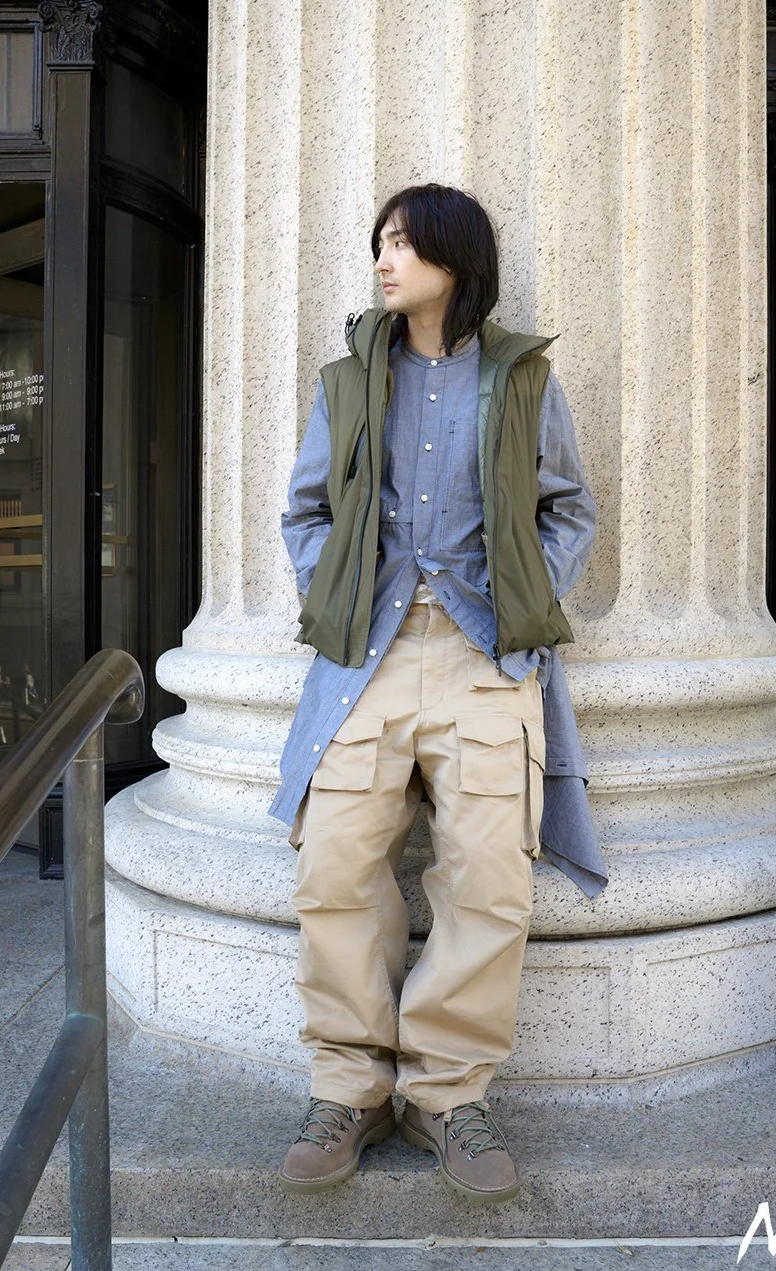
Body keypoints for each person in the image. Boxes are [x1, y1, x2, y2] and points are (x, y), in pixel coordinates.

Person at [270, 183, 603, 1205]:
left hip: (481, 658)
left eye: (403, 245)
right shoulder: (346, 382)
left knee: (489, 878)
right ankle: (348, 1091)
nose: (383, 261)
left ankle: (449, 1096)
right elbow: (304, 510)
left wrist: (520, 604)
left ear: (456, 260)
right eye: (379, 243)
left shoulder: (525, 379)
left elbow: (570, 511)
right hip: (364, 658)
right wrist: (335, 590)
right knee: (334, 865)